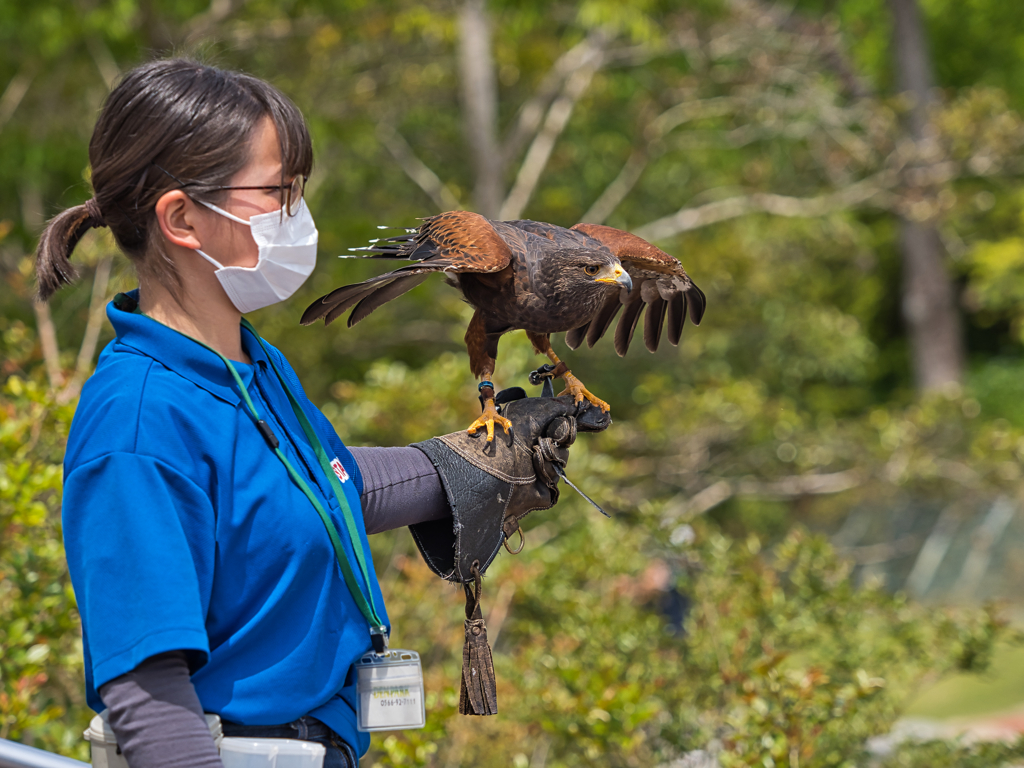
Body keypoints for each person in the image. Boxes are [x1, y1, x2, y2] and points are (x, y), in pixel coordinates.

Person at [35, 58, 603, 768]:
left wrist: (472, 461)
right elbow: (148, 695)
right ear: (182, 218)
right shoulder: (139, 420)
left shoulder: (249, 365)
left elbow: (306, 489)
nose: (298, 213)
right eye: (278, 190)